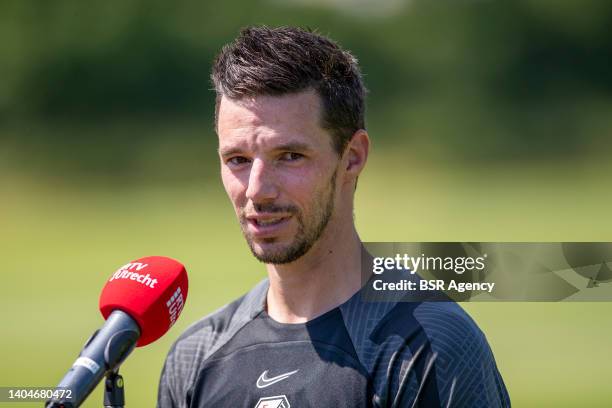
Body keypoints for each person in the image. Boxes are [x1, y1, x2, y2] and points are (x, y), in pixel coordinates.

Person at [157, 26, 510, 408]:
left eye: (290, 156)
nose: (257, 190)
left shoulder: (428, 347)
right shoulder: (195, 357)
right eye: (238, 160)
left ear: (352, 157)